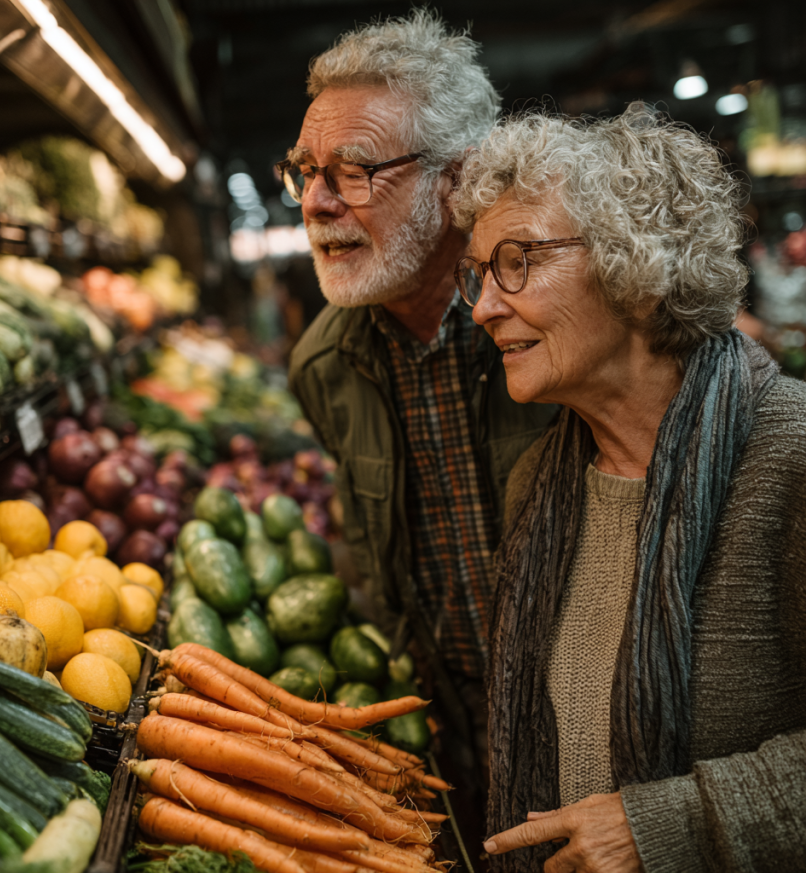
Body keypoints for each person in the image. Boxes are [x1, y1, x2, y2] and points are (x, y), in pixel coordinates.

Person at [450, 104, 806, 873]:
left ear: (638, 269)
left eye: (517, 260)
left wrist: (666, 825)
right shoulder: (538, 489)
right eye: (478, 272)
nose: (482, 306)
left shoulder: (789, 458)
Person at [285, 9, 555, 787]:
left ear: (458, 177)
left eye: (354, 170)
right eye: (305, 170)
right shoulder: (324, 365)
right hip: (458, 754)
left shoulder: (556, 325)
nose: (315, 203)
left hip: (600, 743)